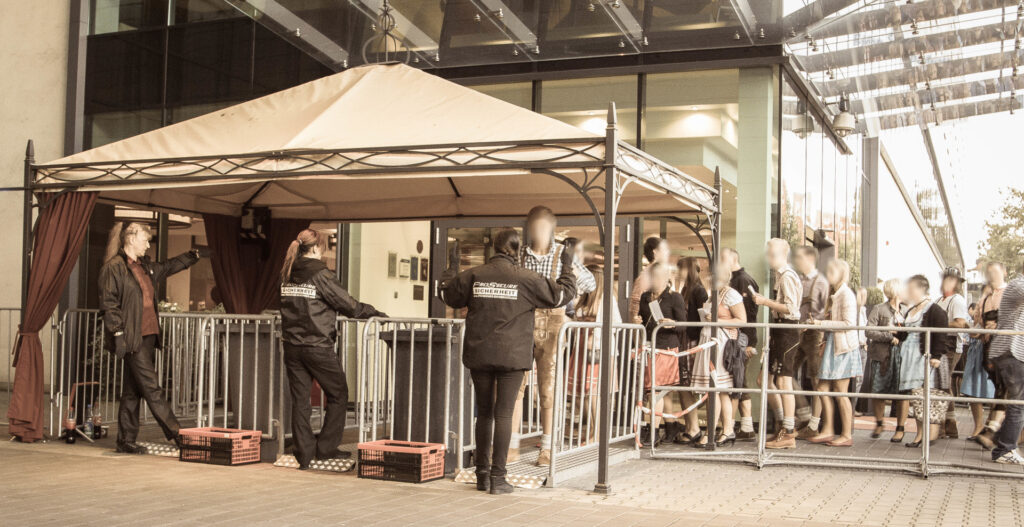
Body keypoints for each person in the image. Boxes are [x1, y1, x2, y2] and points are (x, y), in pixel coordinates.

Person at [439, 228, 576, 493]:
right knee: (503, 413)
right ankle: (498, 479)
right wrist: (567, 266)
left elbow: (447, 295)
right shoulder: (527, 279)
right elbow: (562, 295)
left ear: (495, 248)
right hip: (512, 356)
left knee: (485, 413)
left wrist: (451, 268)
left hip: (480, 353)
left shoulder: (475, 275)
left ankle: (482, 475)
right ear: (517, 251)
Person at [279, 228, 386, 470]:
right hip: (317, 345)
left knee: (300, 400)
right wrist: (374, 313)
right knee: (338, 394)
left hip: (292, 345)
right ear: (317, 248)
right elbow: (347, 305)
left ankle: (304, 454)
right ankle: (326, 449)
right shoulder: (321, 274)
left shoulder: (287, 272)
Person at [98, 222, 200, 454]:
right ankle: (177, 434)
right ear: (131, 238)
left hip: (148, 336)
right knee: (152, 388)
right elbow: (109, 304)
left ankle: (126, 441)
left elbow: (167, 267)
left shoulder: (144, 266)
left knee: (132, 390)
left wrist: (190, 257)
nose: (147, 245)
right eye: (145, 240)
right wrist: (118, 333)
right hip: (132, 337)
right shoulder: (114, 267)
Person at [513, 206, 595, 467]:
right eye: (534, 226)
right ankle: (511, 445)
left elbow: (591, 283)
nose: (538, 231)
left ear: (551, 228)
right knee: (516, 384)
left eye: (543, 226)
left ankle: (547, 448)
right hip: (523, 321)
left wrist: (570, 285)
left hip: (553, 322)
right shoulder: (519, 255)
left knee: (548, 387)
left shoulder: (562, 254)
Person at [752, 238, 802, 449]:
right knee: (765, 380)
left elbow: (792, 309)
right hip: (780, 330)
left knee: (783, 381)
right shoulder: (781, 275)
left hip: (787, 331)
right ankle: (784, 424)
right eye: (769, 253)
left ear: (782, 254)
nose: (769, 258)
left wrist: (765, 302)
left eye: (772, 254)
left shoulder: (787, 276)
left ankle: (788, 431)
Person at [893, 275, 953, 448]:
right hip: (909, 358)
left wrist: (936, 356)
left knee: (924, 397)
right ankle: (920, 434)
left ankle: (925, 435)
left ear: (921, 289)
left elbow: (941, 334)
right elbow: (904, 333)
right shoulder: (910, 309)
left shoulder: (934, 310)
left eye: (911, 288)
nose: (909, 291)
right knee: (916, 398)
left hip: (922, 358)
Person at [808, 260, 862, 447]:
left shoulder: (846, 295)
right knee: (822, 389)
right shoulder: (836, 294)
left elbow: (848, 324)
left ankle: (846, 434)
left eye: (832, 271)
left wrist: (820, 324)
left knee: (840, 391)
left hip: (843, 348)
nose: (828, 274)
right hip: (834, 345)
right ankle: (828, 429)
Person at [693, 265, 747, 447]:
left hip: (721, 343)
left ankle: (710, 432)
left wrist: (717, 320)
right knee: (721, 391)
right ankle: (728, 429)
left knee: (715, 388)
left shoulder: (730, 294)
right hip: (710, 340)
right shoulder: (714, 294)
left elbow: (741, 320)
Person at [569, 267, 620, 445]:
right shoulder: (584, 298)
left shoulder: (606, 300)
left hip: (597, 350)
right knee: (581, 393)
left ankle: (598, 432)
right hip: (581, 348)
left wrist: (595, 336)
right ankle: (592, 428)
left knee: (593, 392)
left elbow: (616, 324)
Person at [638, 262, 687, 446]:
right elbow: (643, 319)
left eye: (658, 277)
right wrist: (637, 321)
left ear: (666, 278)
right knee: (661, 392)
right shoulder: (645, 297)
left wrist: (671, 324)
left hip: (666, 348)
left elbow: (683, 325)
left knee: (657, 390)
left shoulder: (675, 298)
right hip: (649, 346)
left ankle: (654, 431)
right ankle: (670, 426)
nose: (655, 280)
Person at [791, 246, 830, 440]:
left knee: (816, 379)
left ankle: (814, 424)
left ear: (810, 259)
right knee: (786, 374)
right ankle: (804, 412)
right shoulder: (798, 280)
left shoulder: (821, 282)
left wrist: (813, 323)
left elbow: (826, 311)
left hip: (815, 335)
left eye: (799, 257)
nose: (797, 261)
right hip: (797, 333)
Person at [722, 247, 759, 441]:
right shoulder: (736, 280)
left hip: (742, 339)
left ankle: (745, 426)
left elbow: (750, 315)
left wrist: (750, 343)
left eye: (723, 259)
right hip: (737, 338)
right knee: (738, 380)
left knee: (739, 380)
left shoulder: (743, 281)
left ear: (733, 259)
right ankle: (745, 425)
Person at [987, 271, 1024, 464]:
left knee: (1018, 403)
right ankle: (1005, 449)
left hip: (1013, 354)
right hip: (1010, 353)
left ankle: (1001, 438)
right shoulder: (1018, 285)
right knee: (1018, 403)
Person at [973, 262, 1009, 449]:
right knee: (1001, 387)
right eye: (989, 272)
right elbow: (978, 324)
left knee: (1007, 387)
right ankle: (994, 430)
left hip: (1009, 348)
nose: (992, 275)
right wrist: (976, 332)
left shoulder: (1011, 293)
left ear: (1004, 272)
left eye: (995, 271)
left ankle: (992, 430)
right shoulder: (985, 299)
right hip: (990, 350)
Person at [673, 256, 708, 444]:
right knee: (684, 384)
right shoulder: (687, 289)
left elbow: (703, 318)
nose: (678, 272)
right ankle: (691, 426)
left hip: (692, 341)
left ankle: (693, 428)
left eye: (681, 269)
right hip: (687, 340)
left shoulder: (697, 291)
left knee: (687, 383)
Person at [865, 278, 904, 440]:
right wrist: (889, 336)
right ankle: (879, 423)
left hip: (901, 356)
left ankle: (900, 428)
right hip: (882, 356)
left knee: (902, 393)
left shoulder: (906, 311)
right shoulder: (879, 309)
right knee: (878, 390)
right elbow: (869, 331)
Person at [934, 267, 970, 439]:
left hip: (950, 346)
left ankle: (943, 425)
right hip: (940, 345)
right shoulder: (939, 300)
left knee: (943, 384)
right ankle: (949, 424)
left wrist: (938, 324)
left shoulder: (957, 300)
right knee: (943, 384)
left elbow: (960, 323)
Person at [962, 299, 997, 438]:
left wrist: (966, 326)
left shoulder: (994, 317)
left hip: (990, 354)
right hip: (975, 353)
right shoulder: (979, 320)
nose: (977, 311)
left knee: (994, 391)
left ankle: (990, 425)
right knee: (972, 390)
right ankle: (979, 425)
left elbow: (975, 333)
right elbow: (974, 334)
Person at [630, 236, 673, 323]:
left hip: (660, 324)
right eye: (664, 249)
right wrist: (637, 322)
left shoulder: (664, 273)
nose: (668, 252)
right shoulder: (646, 275)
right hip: (649, 325)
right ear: (655, 251)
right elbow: (636, 302)